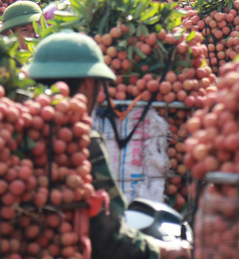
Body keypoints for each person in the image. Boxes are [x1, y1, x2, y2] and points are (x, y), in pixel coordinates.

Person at [24, 32, 192, 259]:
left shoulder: (14, 129)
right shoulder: (81, 140)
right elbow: (110, 235)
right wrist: (162, 251)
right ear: (87, 84)